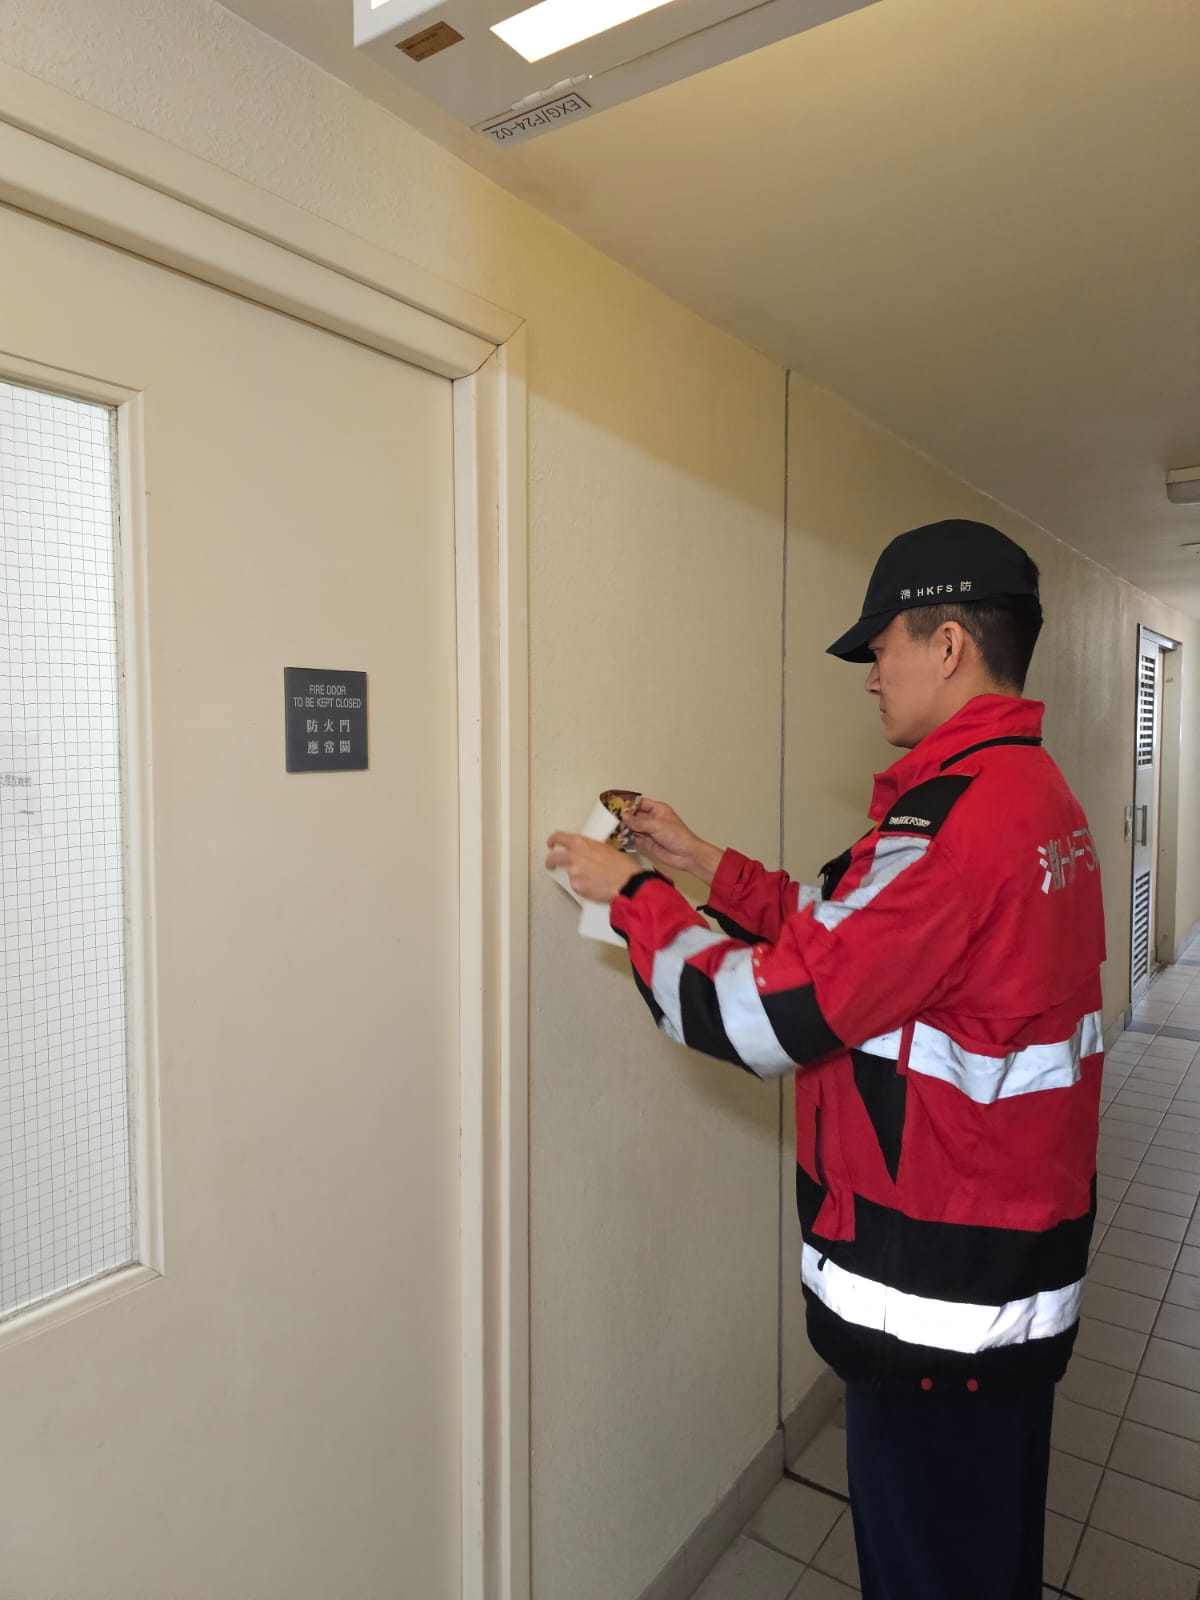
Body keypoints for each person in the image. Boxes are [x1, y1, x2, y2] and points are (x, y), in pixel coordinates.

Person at [546, 519, 1105, 1600]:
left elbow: (771, 1013)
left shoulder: (956, 827)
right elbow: (860, 938)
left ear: (949, 644)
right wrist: (704, 862)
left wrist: (634, 900)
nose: (871, 676)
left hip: (937, 1306)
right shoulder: (1029, 796)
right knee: (989, 1563)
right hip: (1001, 1283)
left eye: (882, 648)